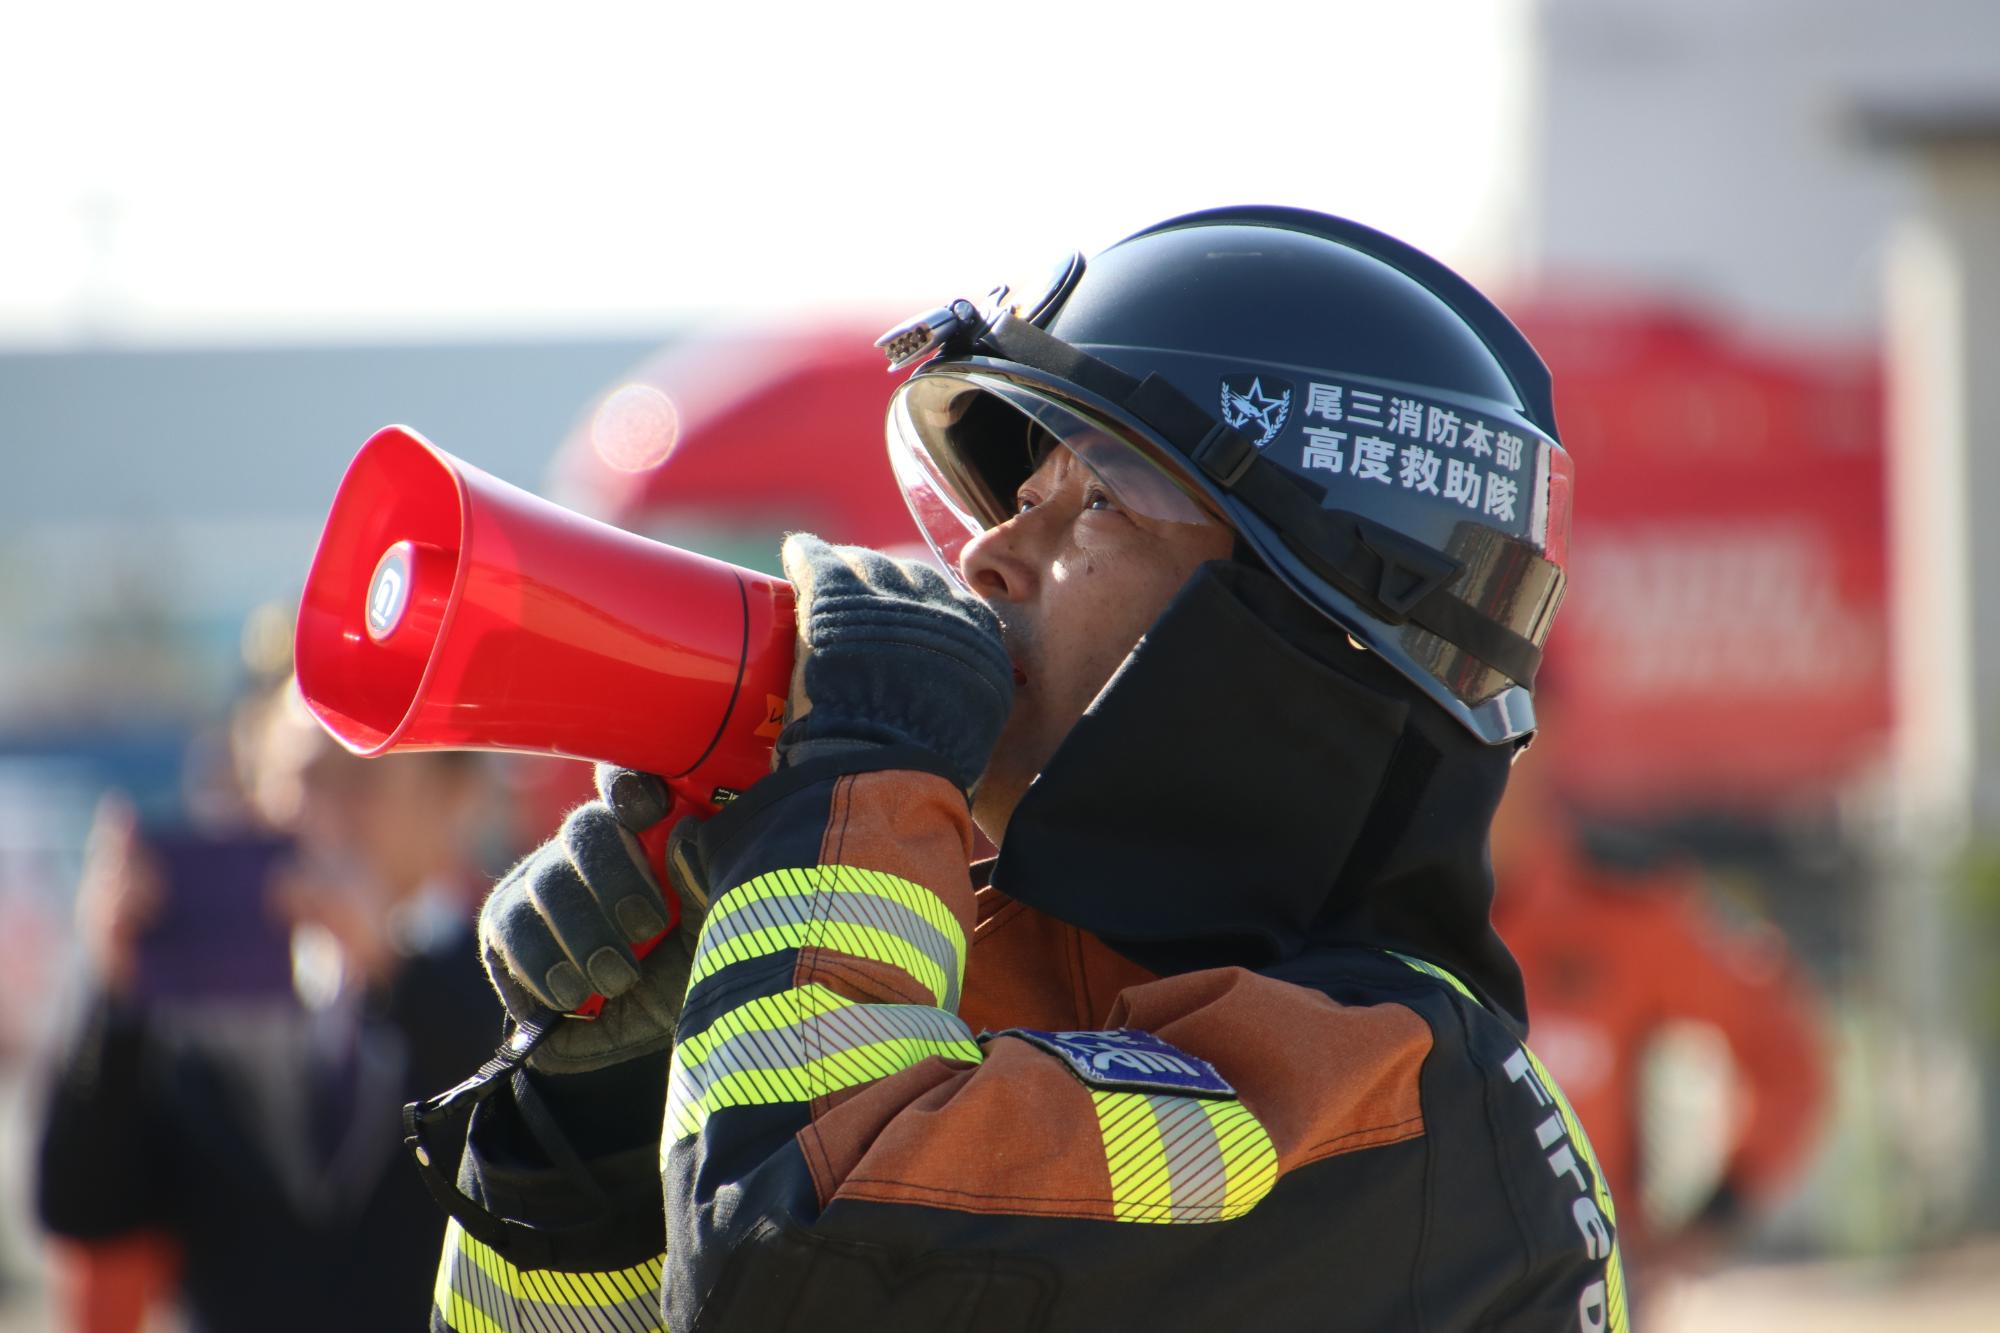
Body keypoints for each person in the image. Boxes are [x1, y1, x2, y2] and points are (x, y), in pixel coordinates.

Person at [426, 206, 1626, 1331]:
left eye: (1096, 500)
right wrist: (599, 1133)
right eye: (1012, 499)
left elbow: (806, 1269)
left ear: (1303, 633)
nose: (987, 556)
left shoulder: (1411, 1099)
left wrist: (862, 779)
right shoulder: (967, 989)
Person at [36, 681, 499, 1332]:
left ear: (452, 797)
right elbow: (85, 1207)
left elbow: (526, 1140)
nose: (329, 817)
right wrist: (113, 998)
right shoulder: (197, 985)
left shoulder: (509, 974)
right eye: (306, 779)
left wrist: (391, 970)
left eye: (362, 780)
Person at [1489, 688, 1827, 1301]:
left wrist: (1716, 1215)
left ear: (1548, 735)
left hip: (1580, 1291)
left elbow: (1784, 1054)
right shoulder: (1355, 901)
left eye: (1499, 715)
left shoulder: (1628, 905)